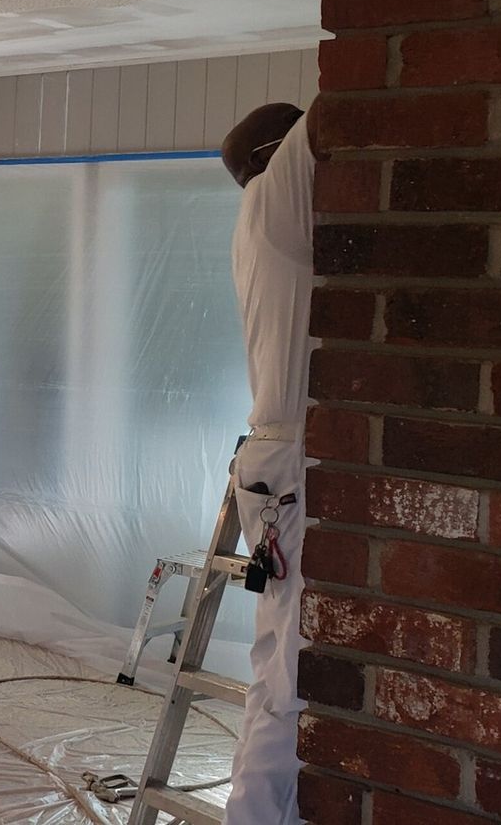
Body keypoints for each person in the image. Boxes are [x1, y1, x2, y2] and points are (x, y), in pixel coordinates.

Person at [219, 101, 315, 825]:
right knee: (290, 676)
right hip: (287, 462)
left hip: (275, 461)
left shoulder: (263, 222)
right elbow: (344, 110)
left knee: (278, 664)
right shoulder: (275, 199)